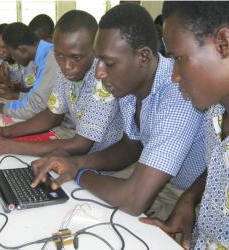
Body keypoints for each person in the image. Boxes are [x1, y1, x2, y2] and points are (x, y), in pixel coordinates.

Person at [30, 3, 206, 221]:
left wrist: (79, 171)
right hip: (155, 180)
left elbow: (133, 200)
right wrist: (77, 162)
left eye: (109, 63)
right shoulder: (130, 85)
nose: (99, 73)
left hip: (187, 197)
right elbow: (132, 146)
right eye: (98, 60)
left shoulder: (178, 93)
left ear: (143, 57)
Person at [0, 10, 123, 158]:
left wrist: (6, 146)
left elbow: (81, 144)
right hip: (77, 149)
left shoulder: (104, 78)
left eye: (76, 57)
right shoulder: (66, 71)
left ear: (95, 50)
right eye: (59, 55)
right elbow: (51, 116)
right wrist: (2, 131)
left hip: (104, 160)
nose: (66, 66)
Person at [139, 2, 229, 250]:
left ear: (224, 43)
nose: (175, 75)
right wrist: (189, 198)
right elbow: (219, 165)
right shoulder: (216, 111)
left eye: (179, 58)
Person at [0, 22, 58, 120]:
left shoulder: (49, 59)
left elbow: (34, 108)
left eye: (12, 54)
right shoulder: (43, 53)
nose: (13, 58)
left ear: (21, 50)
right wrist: (15, 95)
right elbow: (41, 97)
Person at [0, 23, 25, 100]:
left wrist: (8, 84)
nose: (0, 52)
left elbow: (30, 89)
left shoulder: (24, 53)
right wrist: (1, 81)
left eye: (4, 47)